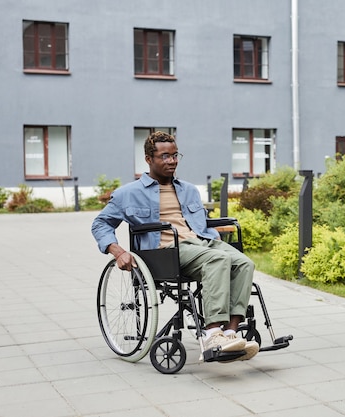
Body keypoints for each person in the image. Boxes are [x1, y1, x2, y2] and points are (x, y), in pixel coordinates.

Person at [91, 131, 258, 361]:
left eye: (175, 155)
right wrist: (117, 251)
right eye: (165, 156)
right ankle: (212, 334)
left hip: (200, 243)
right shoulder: (128, 194)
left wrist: (214, 237)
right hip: (166, 251)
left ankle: (230, 334)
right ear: (149, 159)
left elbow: (200, 223)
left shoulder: (189, 190)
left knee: (244, 262)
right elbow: (100, 224)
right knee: (218, 260)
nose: (172, 161)